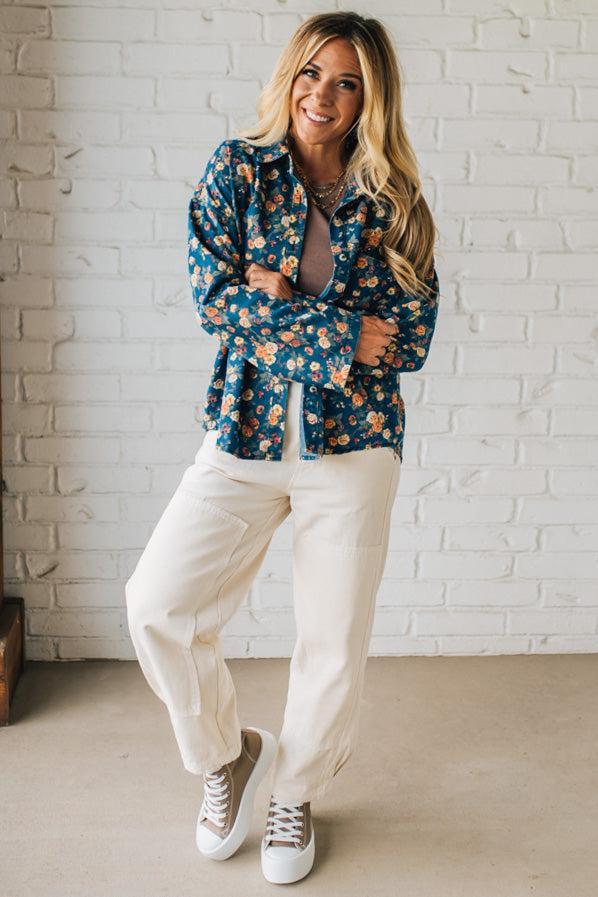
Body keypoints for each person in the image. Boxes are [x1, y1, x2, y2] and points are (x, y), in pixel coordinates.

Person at [125, 10, 440, 886]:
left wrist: (278, 300)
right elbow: (215, 299)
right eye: (311, 73)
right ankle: (227, 757)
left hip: (356, 445)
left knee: (332, 639)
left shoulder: (396, 202)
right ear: (289, 76)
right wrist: (337, 333)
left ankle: (296, 792)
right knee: (156, 603)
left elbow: (407, 338)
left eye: (347, 83)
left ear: (370, 99)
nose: (323, 96)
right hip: (245, 432)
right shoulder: (239, 170)